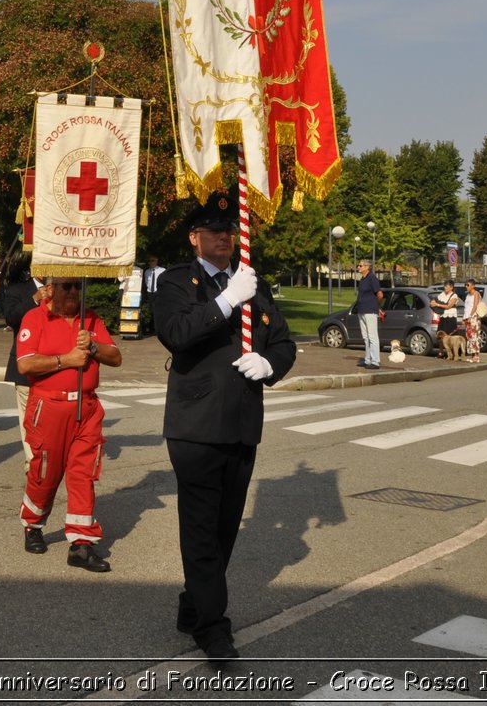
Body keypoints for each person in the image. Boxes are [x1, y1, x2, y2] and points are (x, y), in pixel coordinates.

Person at [154, 189, 297, 662]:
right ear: (194, 237)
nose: (224, 238)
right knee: (199, 529)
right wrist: (226, 302)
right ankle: (214, 629)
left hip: (241, 422)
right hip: (195, 424)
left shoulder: (253, 281)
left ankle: (193, 605)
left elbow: (284, 342)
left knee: (224, 529)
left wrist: (269, 364)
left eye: (229, 231)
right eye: (214, 231)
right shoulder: (177, 282)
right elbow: (176, 333)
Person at [16, 275, 121, 572]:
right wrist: (66, 360)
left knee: (83, 473)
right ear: (50, 289)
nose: (74, 291)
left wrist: (93, 348)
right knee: (45, 472)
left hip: (86, 407)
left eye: (78, 286)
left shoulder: (91, 318)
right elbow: (25, 364)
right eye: (67, 286)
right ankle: (33, 523)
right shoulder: (35, 318)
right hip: (48, 406)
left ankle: (81, 543)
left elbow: (116, 356)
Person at [0, 252, 48, 465]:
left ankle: (49, 455)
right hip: (26, 362)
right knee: (29, 417)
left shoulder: (63, 290)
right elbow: (11, 317)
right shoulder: (18, 290)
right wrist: (34, 300)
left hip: (55, 364)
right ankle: (33, 461)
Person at [354, 259, 383, 369]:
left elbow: (380, 294)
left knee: (372, 337)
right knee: (365, 337)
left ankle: (375, 361)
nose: (358, 267)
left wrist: (376, 306)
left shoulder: (372, 278)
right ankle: (368, 359)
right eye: (358, 265)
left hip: (370, 311)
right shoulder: (363, 279)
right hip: (362, 311)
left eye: (360, 266)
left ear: (367, 267)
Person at [431, 280, 460, 360]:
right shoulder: (442, 294)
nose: (445, 288)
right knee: (440, 334)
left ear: (451, 287)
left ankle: (451, 354)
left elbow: (448, 306)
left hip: (450, 317)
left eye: (447, 286)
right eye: (444, 286)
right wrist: (433, 302)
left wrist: (437, 304)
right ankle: (441, 352)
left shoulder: (454, 295)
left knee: (450, 335)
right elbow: (435, 300)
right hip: (442, 316)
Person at [461, 279, 485, 364]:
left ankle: (476, 356)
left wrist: (470, 316)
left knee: (475, 336)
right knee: (469, 336)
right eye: (466, 285)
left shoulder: (476, 294)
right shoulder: (467, 295)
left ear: (473, 286)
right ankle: (472, 355)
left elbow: (475, 306)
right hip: (467, 317)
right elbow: (466, 307)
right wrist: (464, 318)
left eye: (468, 285)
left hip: (474, 317)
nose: (466, 287)